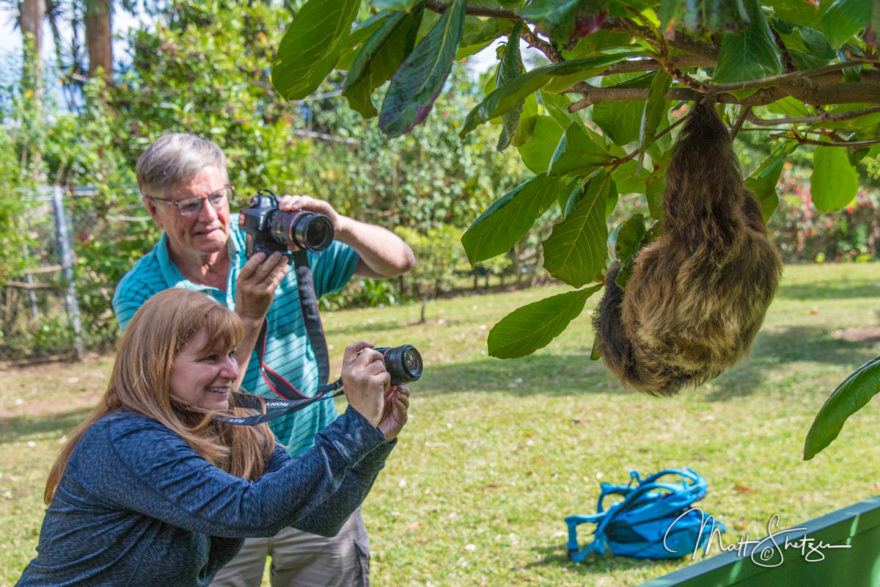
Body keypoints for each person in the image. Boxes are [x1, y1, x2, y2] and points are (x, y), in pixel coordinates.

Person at [111, 132, 415, 586]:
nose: (210, 215)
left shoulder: (274, 242)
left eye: (217, 196)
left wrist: (339, 224)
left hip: (313, 465)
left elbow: (399, 262)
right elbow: (176, 403)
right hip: (217, 487)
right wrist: (247, 315)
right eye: (188, 205)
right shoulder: (144, 292)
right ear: (153, 208)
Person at [18, 289, 410, 586]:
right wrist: (352, 426)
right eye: (209, 358)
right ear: (157, 364)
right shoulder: (127, 438)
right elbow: (253, 511)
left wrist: (374, 437)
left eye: (230, 354)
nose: (229, 370)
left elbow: (322, 516)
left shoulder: (230, 425)